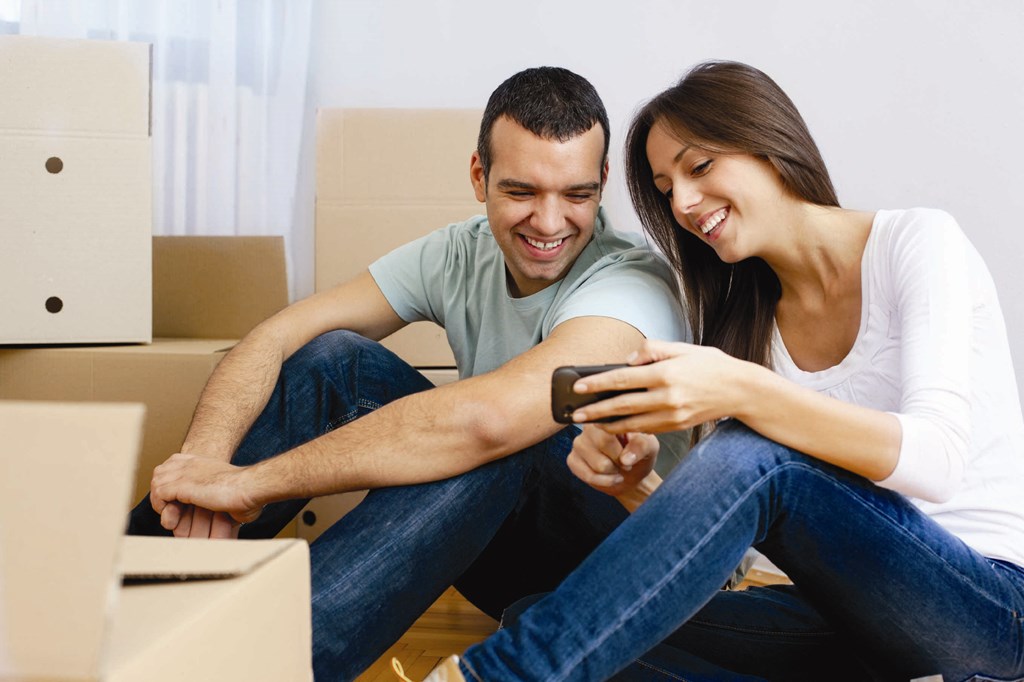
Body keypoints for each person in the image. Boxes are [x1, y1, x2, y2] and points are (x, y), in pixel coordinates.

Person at [400, 61, 1024, 681]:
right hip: (842, 618)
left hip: (985, 610)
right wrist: (632, 484)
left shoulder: (916, 241)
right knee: (555, 621)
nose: (686, 204)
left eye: (699, 168)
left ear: (768, 143)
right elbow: (731, 537)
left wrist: (741, 389)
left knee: (757, 457)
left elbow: (937, 459)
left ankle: (493, 678)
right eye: (667, 189)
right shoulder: (745, 324)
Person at [127, 66, 688, 679]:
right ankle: (128, 602)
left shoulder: (632, 282)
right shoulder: (457, 252)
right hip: (502, 552)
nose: (550, 223)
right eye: (522, 192)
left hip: (634, 574)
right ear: (480, 176)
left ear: (602, 183)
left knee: (503, 434)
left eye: (577, 195)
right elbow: (279, 335)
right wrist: (206, 464)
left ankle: (259, 665)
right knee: (336, 358)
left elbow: (490, 421)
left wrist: (250, 483)